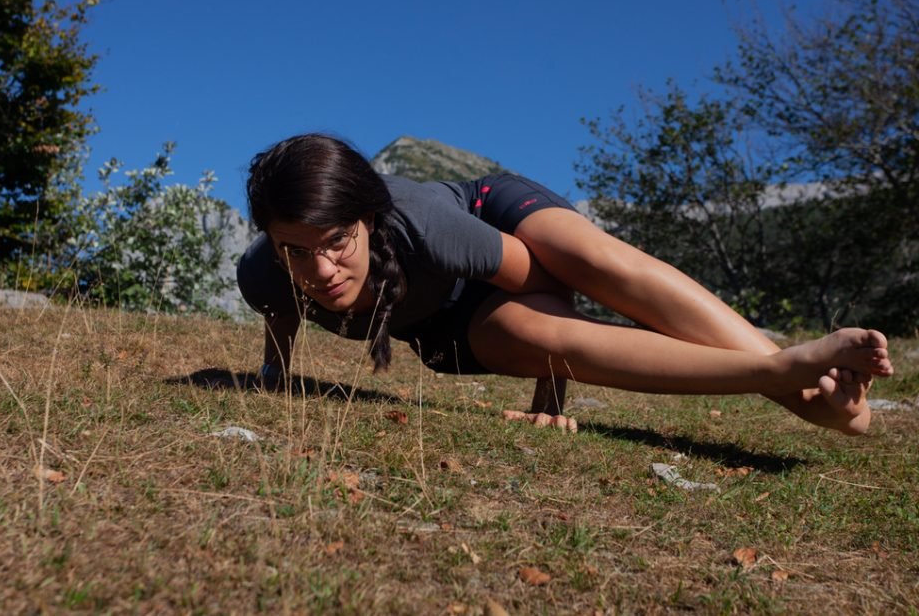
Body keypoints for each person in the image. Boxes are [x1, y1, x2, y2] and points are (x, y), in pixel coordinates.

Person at [237, 133, 894, 435]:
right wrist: (275, 371)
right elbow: (280, 314)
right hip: (443, 323)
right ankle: (792, 375)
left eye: (337, 243)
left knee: (596, 264)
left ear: (368, 220)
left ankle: (808, 388)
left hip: (499, 226)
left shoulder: (427, 225)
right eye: (298, 251)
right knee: (537, 334)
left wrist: (550, 391)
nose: (321, 271)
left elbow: (549, 280)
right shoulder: (266, 270)